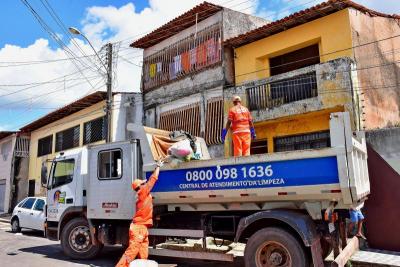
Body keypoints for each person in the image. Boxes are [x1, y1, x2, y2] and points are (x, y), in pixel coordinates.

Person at [116, 160, 163, 267]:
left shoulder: (142, 194)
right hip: (139, 227)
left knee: (143, 252)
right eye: (143, 183)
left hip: (143, 226)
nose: (145, 183)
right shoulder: (142, 191)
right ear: (140, 186)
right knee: (132, 251)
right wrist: (158, 167)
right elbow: (153, 180)